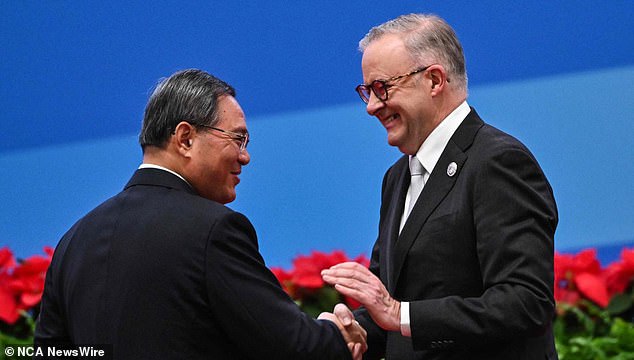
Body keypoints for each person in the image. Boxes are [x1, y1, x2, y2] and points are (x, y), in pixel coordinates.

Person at [35, 69, 366, 359]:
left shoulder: (73, 241)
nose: (245, 156)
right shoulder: (214, 230)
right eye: (237, 138)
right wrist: (335, 333)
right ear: (185, 138)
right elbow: (297, 347)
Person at [322, 14, 558, 359]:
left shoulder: (498, 161)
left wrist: (399, 315)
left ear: (434, 80)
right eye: (366, 92)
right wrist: (348, 329)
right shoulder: (397, 176)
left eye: (381, 88)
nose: (372, 106)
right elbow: (392, 300)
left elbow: (525, 302)